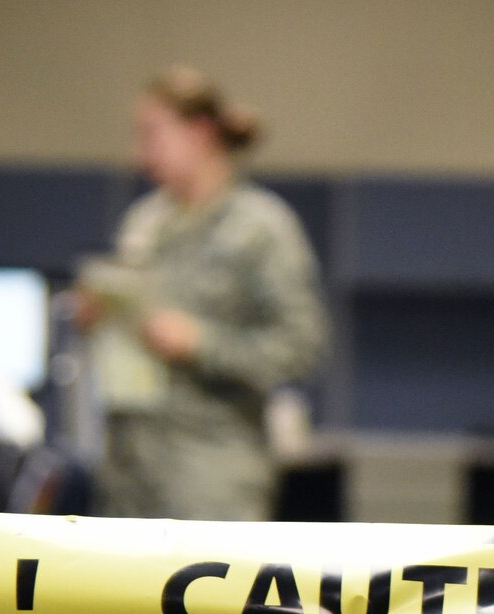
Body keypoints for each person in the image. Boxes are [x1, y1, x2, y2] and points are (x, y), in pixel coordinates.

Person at [79, 66, 326, 521]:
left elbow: (300, 346)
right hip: (131, 469)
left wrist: (200, 343)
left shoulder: (260, 229)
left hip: (210, 477)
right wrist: (106, 315)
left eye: (152, 135)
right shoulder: (145, 222)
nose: (141, 155)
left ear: (200, 133)